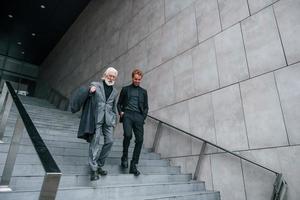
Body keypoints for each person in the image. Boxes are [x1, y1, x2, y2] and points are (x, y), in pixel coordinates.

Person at [81, 67, 118, 181]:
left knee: (110, 141)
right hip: (96, 118)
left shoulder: (115, 91)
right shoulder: (96, 85)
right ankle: (93, 169)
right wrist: (90, 90)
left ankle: (99, 165)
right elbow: (88, 93)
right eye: (109, 75)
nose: (111, 78)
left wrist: (114, 120)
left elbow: (113, 106)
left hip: (108, 120)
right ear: (105, 75)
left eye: (113, 76)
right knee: (95, 141)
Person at [117, 69, 148, 176]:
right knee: (128, 135)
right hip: (128, 115)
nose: (137, 81)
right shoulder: (125, 89)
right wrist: (121, 112)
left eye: (139, 79)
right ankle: (124, 156)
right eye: (135, 79)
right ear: (132, 78)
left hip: (138, 117)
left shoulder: (143, 92)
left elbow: (146, 107)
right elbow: (119, 103)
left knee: (139, 140)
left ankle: (134, 165)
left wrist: (142, 117)